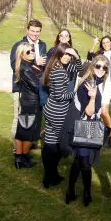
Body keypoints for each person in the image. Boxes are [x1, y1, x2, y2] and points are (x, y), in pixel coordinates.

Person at [65, 57, 107, 207]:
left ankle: (70, 190)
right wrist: (93, 98)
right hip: (85, 128)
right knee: (85, 163)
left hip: (85, 127)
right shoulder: (88, 84)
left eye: (104, 67)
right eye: (98, 66)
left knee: (78, 160)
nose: (101, 69)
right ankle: (87, 193)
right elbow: (89, 112)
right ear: (92, 66)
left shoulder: (95, 81)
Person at [40, 43, 83, 188]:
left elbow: (80, 70)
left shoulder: (61, 66)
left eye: (69, 55)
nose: (67, 57)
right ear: (58, 54)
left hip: (52, 109)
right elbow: (59, 96)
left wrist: (76, 56)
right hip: (57, 111)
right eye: (64, 54)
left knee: (51, 141)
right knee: (59, 144)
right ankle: (50, 176)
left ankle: (51, 176)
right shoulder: (58, 71)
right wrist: (75, 92)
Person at [11, 19, 48, 149]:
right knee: (20, 119)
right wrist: (36, 62)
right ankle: (18, 150)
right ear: (27, 30)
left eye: (37, 31)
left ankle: (29, 143)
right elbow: (14, 65)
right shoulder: (19, 45)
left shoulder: (43, 45)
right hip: (23, 89)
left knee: (35, 119)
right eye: (32, 31)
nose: (35, 34)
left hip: (36, 90)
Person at [12, 42, 43, 169]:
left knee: (22, 131)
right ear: (22, 55)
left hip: (27, 102)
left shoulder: (28, 65)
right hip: (31, 103)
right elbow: (36, 87)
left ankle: (20, 158)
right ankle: (23, 158)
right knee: (28, 133)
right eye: (28, 52)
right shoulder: (26, 68)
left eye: (32, 50)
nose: (32, 53)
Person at [87, 35, 111, 106]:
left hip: (110, 82)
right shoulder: (100, 53)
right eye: (103, 43)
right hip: (99, 81)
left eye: (107, 42)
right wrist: (94, 44)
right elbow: (90, 57)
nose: (106, 44)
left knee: (105, 106)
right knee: (98, 103)